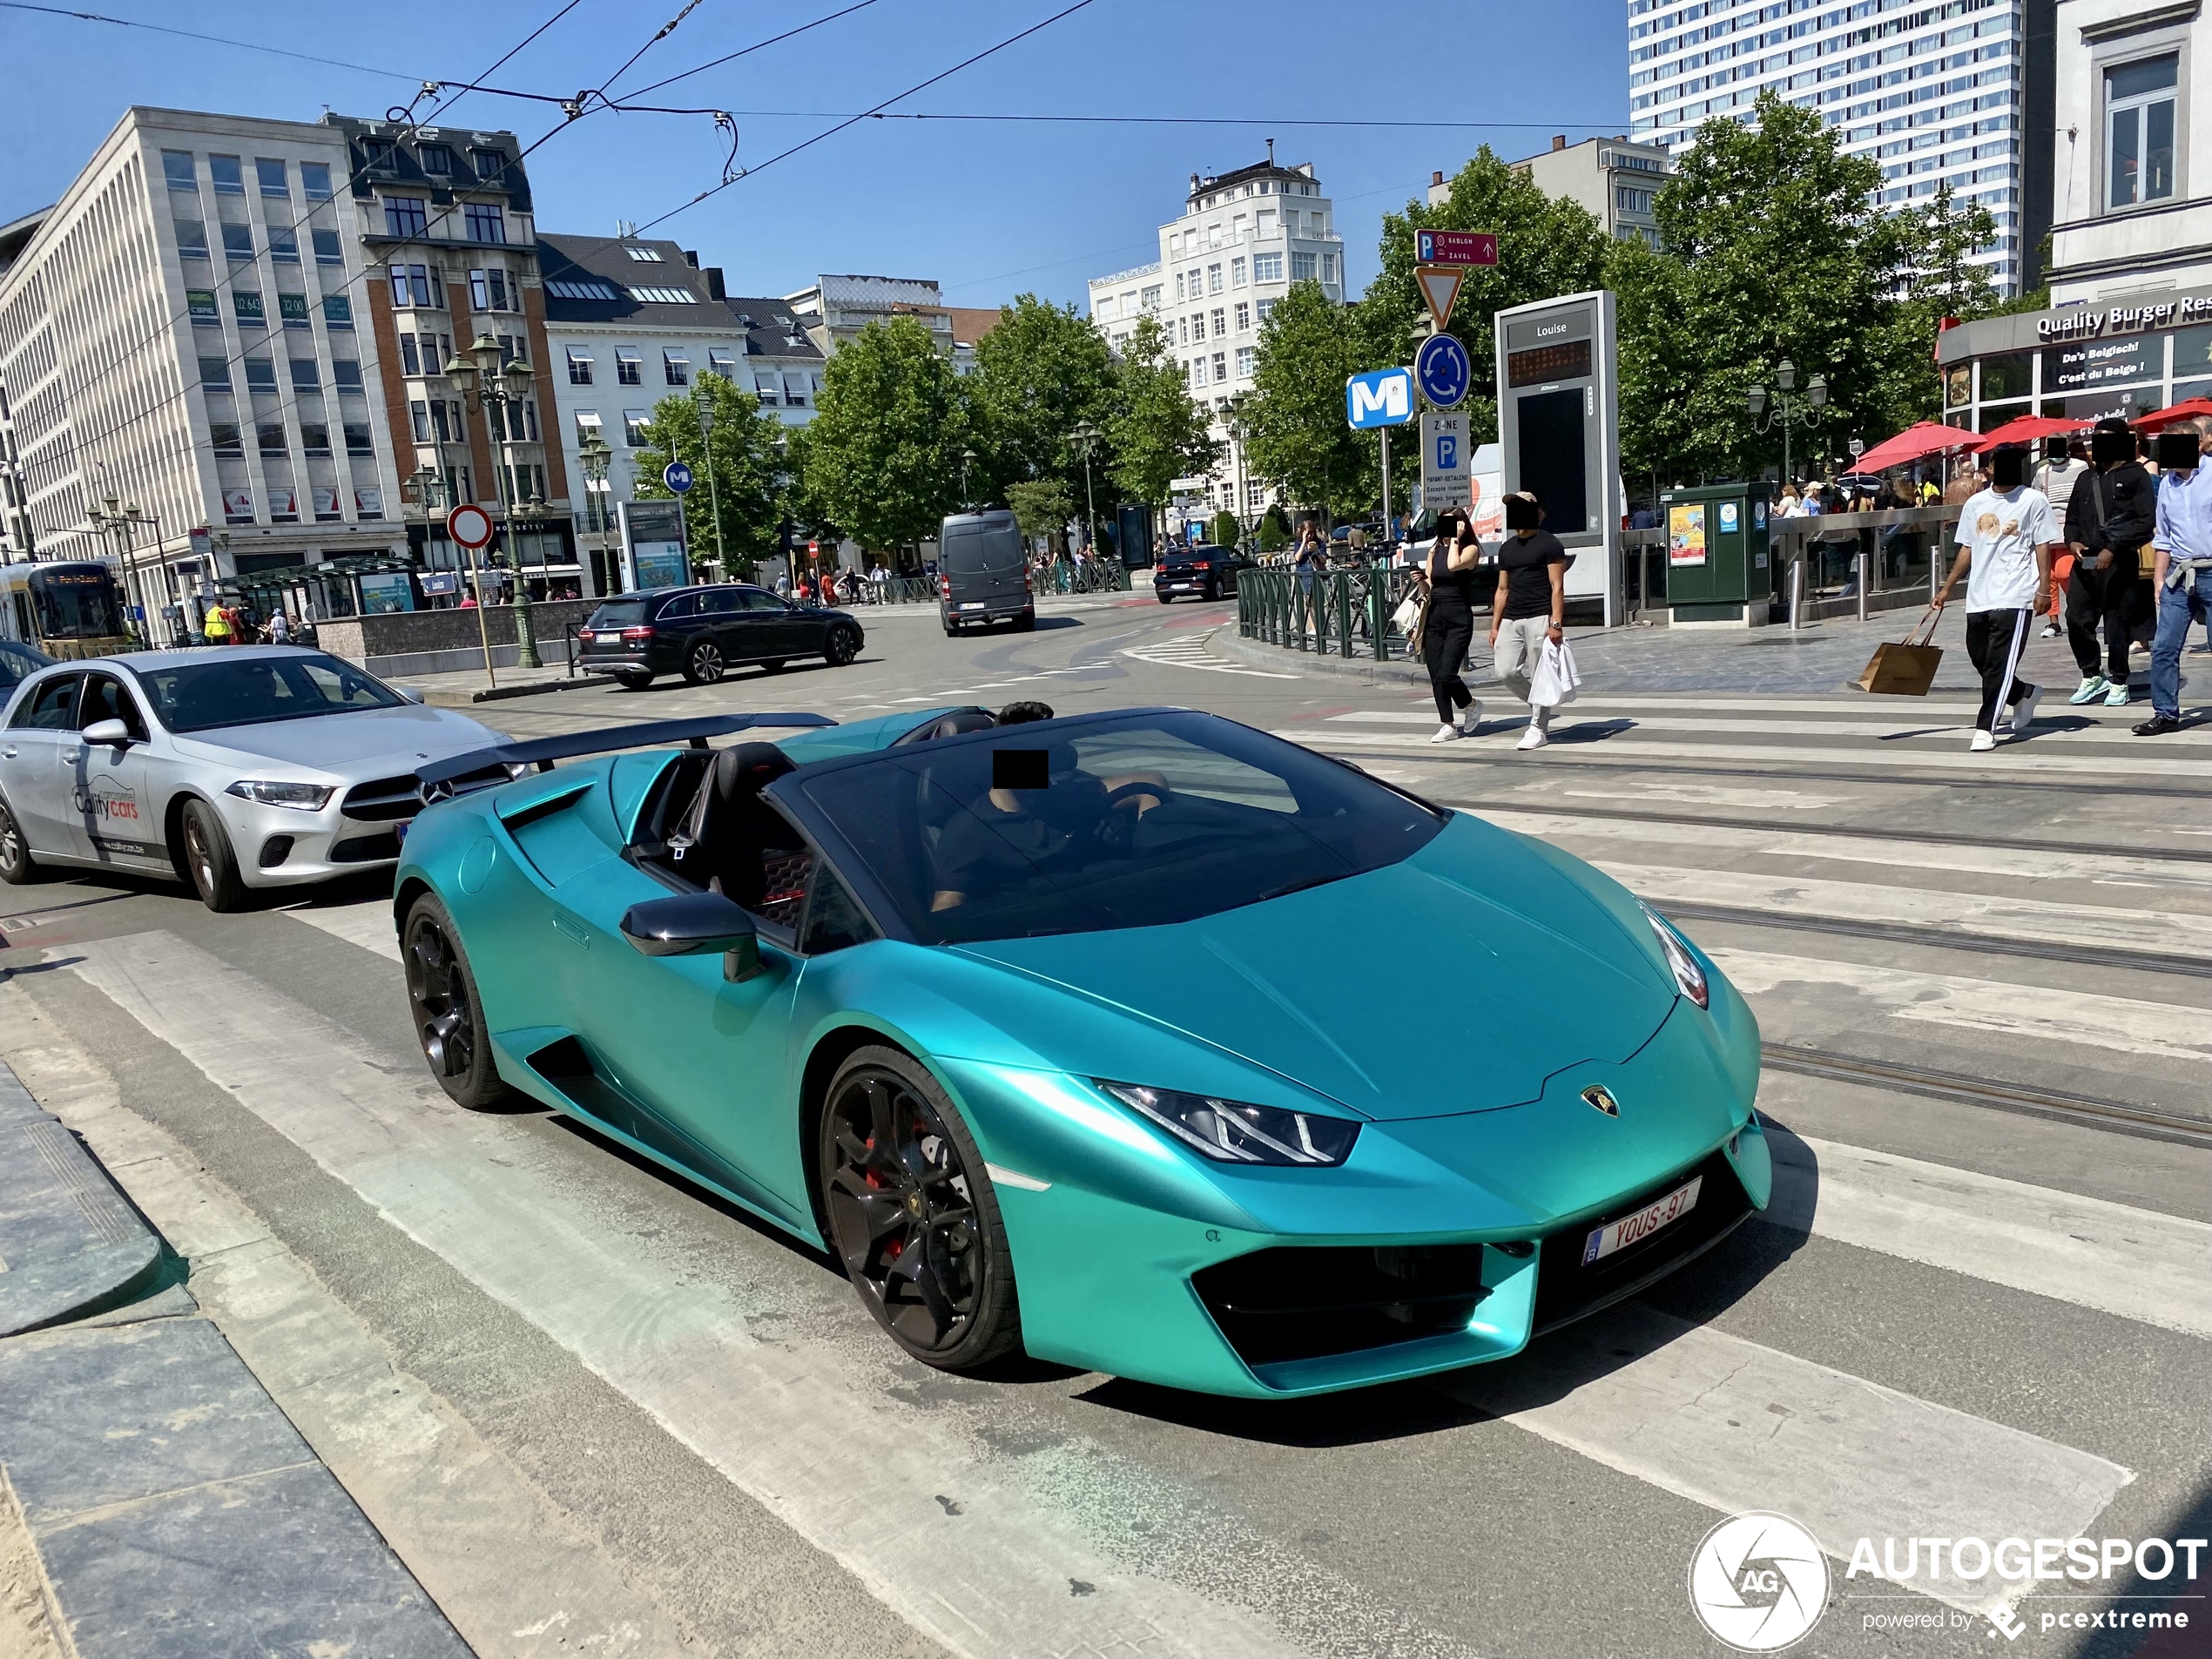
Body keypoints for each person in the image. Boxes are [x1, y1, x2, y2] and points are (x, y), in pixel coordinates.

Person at [1932, 444, 2056, 752]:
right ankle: (2023, 693)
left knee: (1998, 663)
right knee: (1981, 659)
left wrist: (2044, 589)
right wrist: (1947, 587)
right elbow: (1967, 548)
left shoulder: (2033, 500)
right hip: (1979, 594)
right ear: (1988, 469)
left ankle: (1985, 727)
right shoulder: (1976, 503)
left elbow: (2043, 546)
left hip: (2015, 594)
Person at [2061, 417, 2154, 706]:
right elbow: (2072, 519)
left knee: (2117, 623)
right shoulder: (2085, 478)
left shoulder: (2136, 475)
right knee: (2076, 619)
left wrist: (2113, 549)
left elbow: (2145, 522)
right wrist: (2073, 542)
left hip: (2119, 561)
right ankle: (2091, 674)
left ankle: (2119, 680)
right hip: (2085, 563)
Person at [2134, 421, 2212, 736]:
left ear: (2197, 446)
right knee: (2164, 647)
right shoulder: (2167, 484)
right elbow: (2163, 536)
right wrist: (2159, 579)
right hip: (2179, 576)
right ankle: (2165, 713)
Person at [1489, 491, 1569, 751]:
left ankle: (1538, 728)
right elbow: (1502, 590)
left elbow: (1557, 587)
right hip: (1511, 619)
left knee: (1540, 674)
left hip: (1539, 616)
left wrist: (1556, 624)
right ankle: (1539, 700)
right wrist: (1495, 625)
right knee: (1505, 671)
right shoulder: (1507, 548)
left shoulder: (1550, 544)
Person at [1408, 507, 1485, 742]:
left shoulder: (1470, 550)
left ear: (1462, 525)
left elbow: (1453, 565)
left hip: (1458, 616)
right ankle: (1448, 724)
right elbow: (1430, 583)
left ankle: (1470, 704)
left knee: (1447, 673)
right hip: (1434, 614)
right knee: (1435, 673)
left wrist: (1455, 540)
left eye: (1451, 524)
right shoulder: (1434, 550)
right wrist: (1420, 581)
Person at [2035, 437, 2092, 637]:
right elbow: (2038, 498)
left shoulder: (2080, 466)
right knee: (2048, 576)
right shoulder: (2043, 471)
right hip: (2049, 531)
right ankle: (2053, 621)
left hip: (2072, 531)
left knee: (2064, 572)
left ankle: (2079, 609)